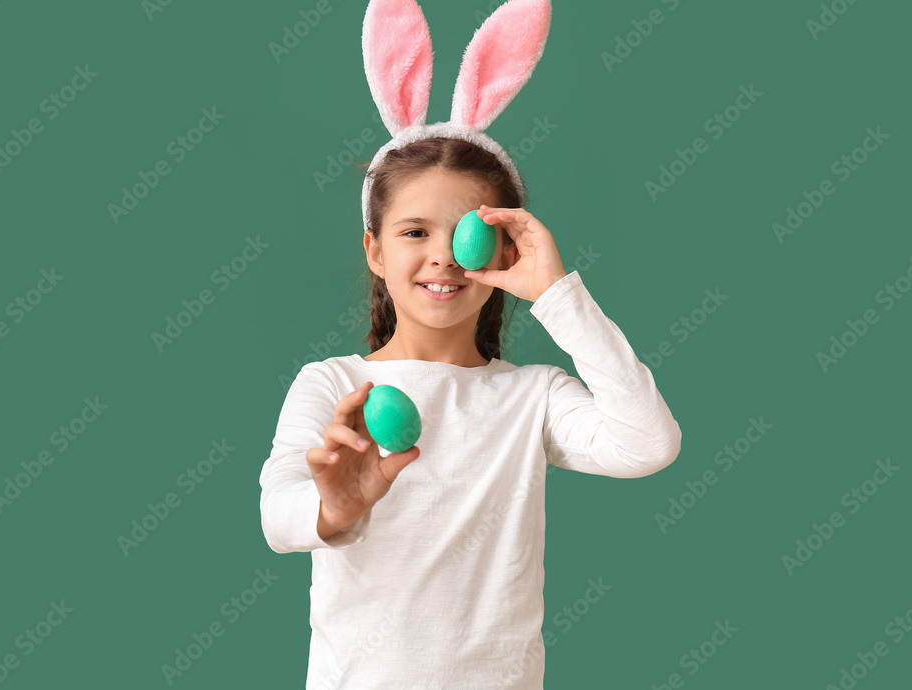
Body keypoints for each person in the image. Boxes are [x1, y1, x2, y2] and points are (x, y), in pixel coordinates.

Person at [260, 0, 681, 686]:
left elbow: (649, 443)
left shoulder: (530, 395)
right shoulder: (336, 386)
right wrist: (335, 505)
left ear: (507, 244)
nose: (444, 259)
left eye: (468, 235)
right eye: (414, 232)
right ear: (374, 249)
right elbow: (278, 516)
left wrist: (555, 294)